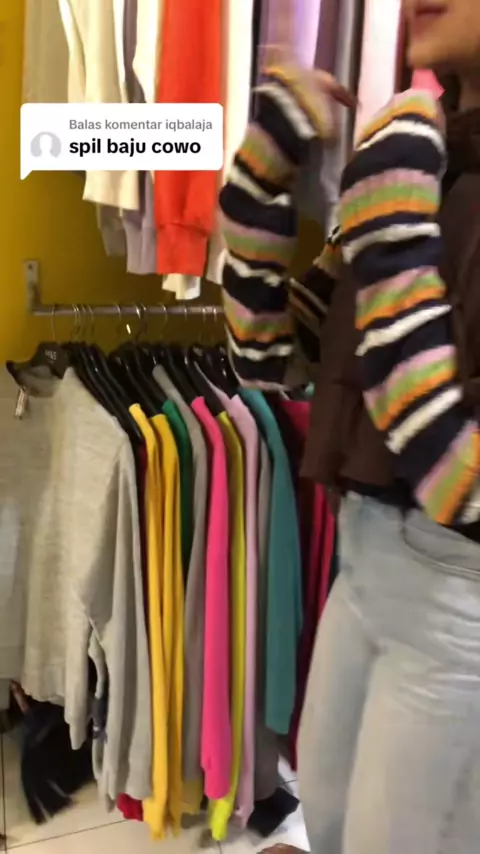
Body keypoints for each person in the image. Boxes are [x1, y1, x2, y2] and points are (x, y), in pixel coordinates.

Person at [220, 0, 480, 851]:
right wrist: (257, 194)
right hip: (365, 560)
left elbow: (459, 481)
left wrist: (392, 227)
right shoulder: (427, 148)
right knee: (326, 824)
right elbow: (278, 361)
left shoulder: (410, 158)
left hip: (460, 599)